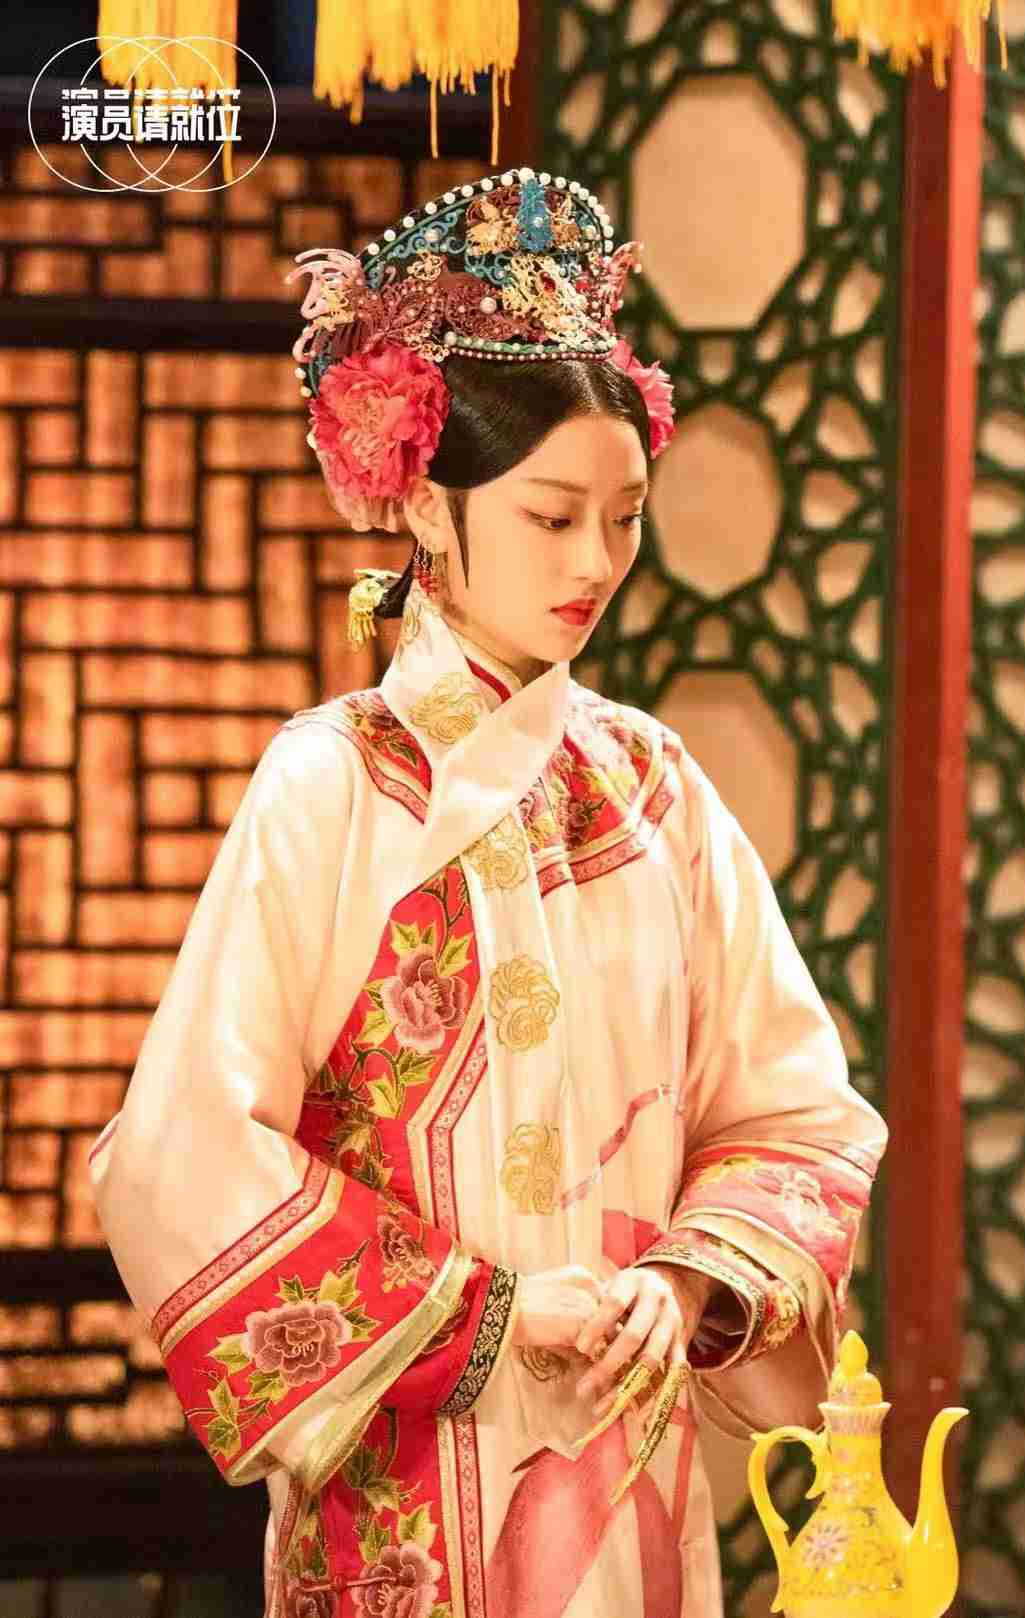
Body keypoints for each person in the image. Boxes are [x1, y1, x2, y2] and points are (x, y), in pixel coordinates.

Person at [88, 166, 887, 1618]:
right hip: (407, 1479)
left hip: (629, 1475)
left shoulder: (649, 787)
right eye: (552, 515)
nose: (598, 562)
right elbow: (180, 1150)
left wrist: (686, 1283)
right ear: (430, 509)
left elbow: (794, 1110)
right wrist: (486, 1314)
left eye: (625, 517)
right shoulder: (334, 786)